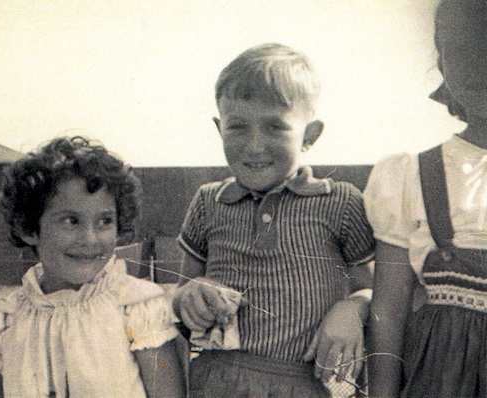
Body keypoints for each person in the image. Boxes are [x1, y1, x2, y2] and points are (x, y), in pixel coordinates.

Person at [172, 43, 376, 397]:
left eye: (275, 128)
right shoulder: (208, 201)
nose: (254, 146)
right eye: (237, 127)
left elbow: (375, 290)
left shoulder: (340, 201)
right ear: (220, 128)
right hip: (215, 383)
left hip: (306, 384)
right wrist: (188, 296)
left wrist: (352, 308)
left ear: (310, 135)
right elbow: (182, 290)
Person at [0, 136, 185, 397]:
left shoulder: (137, 309)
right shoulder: (8, 319)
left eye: (105, 221)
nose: (90, 239)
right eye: (70, 221)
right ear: (29, 229)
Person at [365, 0, 487, 396]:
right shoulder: (410, 176)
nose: (481, 61)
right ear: (441, 56)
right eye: (465, 45)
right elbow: (390, 313)